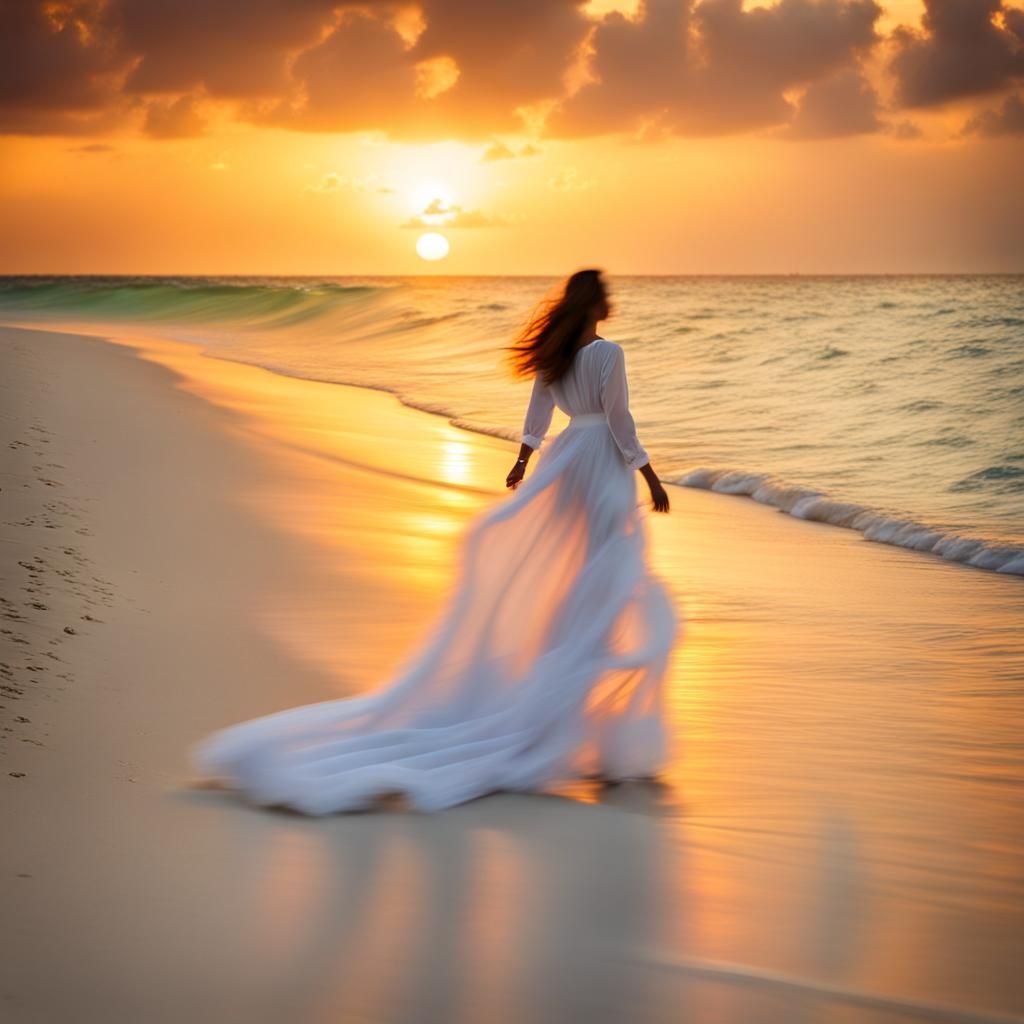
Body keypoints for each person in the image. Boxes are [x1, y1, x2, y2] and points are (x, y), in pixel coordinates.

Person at [189, 268, 681, 814]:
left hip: (565, 463)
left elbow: (540, 410)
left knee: (588, 576)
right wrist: (649, 475)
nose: (612, 300)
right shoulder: (608, 354)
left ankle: (574, 704)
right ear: (596, 303)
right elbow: (618, 419)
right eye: (606, 294)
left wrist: (523, 460)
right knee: (609, 573)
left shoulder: (556, 353)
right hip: (603, 467)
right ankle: (577, 710)